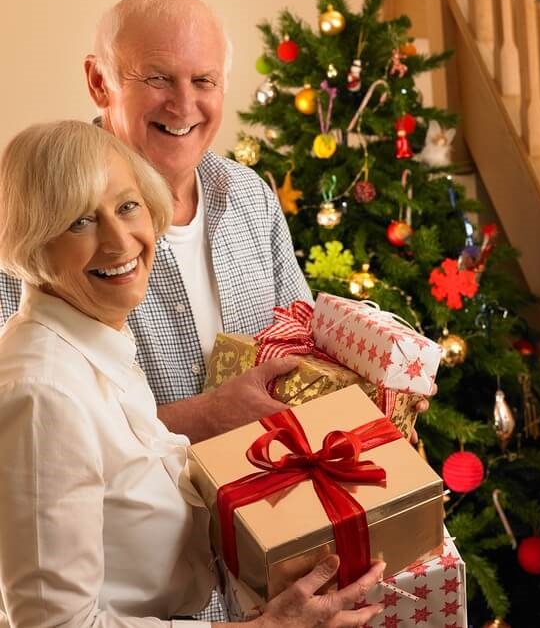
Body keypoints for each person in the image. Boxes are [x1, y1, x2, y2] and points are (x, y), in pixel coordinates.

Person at [0, 0, 428, 445]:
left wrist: (381, 385)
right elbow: (22, 425)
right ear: (99, 82)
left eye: (203, 81)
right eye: (158, 79)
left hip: (270, 503)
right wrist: (202, 418)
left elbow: (304, 350)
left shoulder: (251, 197)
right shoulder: (39, 218)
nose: (183, 106)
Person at [0, 120, 386, 628]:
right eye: (79, 221)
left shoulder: (96, 343)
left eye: (126, 206)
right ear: (33, 243)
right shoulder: (43, 392)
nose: (120, 241)